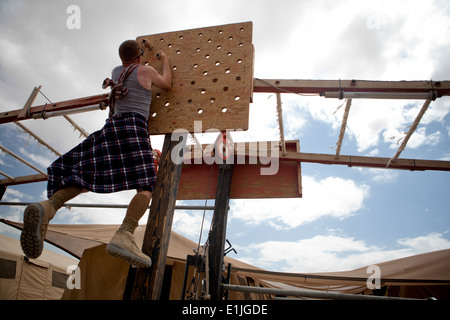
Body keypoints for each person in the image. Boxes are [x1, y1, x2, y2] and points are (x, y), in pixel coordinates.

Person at [20, 40, 172, 268]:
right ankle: (124, 234)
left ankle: (49, 206)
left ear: (121, 58)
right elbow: (168, 84)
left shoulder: (116, 72)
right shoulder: (147, 71)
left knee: (85, 175)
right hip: (133, 127)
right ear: (140, 55)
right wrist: (165, 60)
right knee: (146, 185)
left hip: (111, 127)